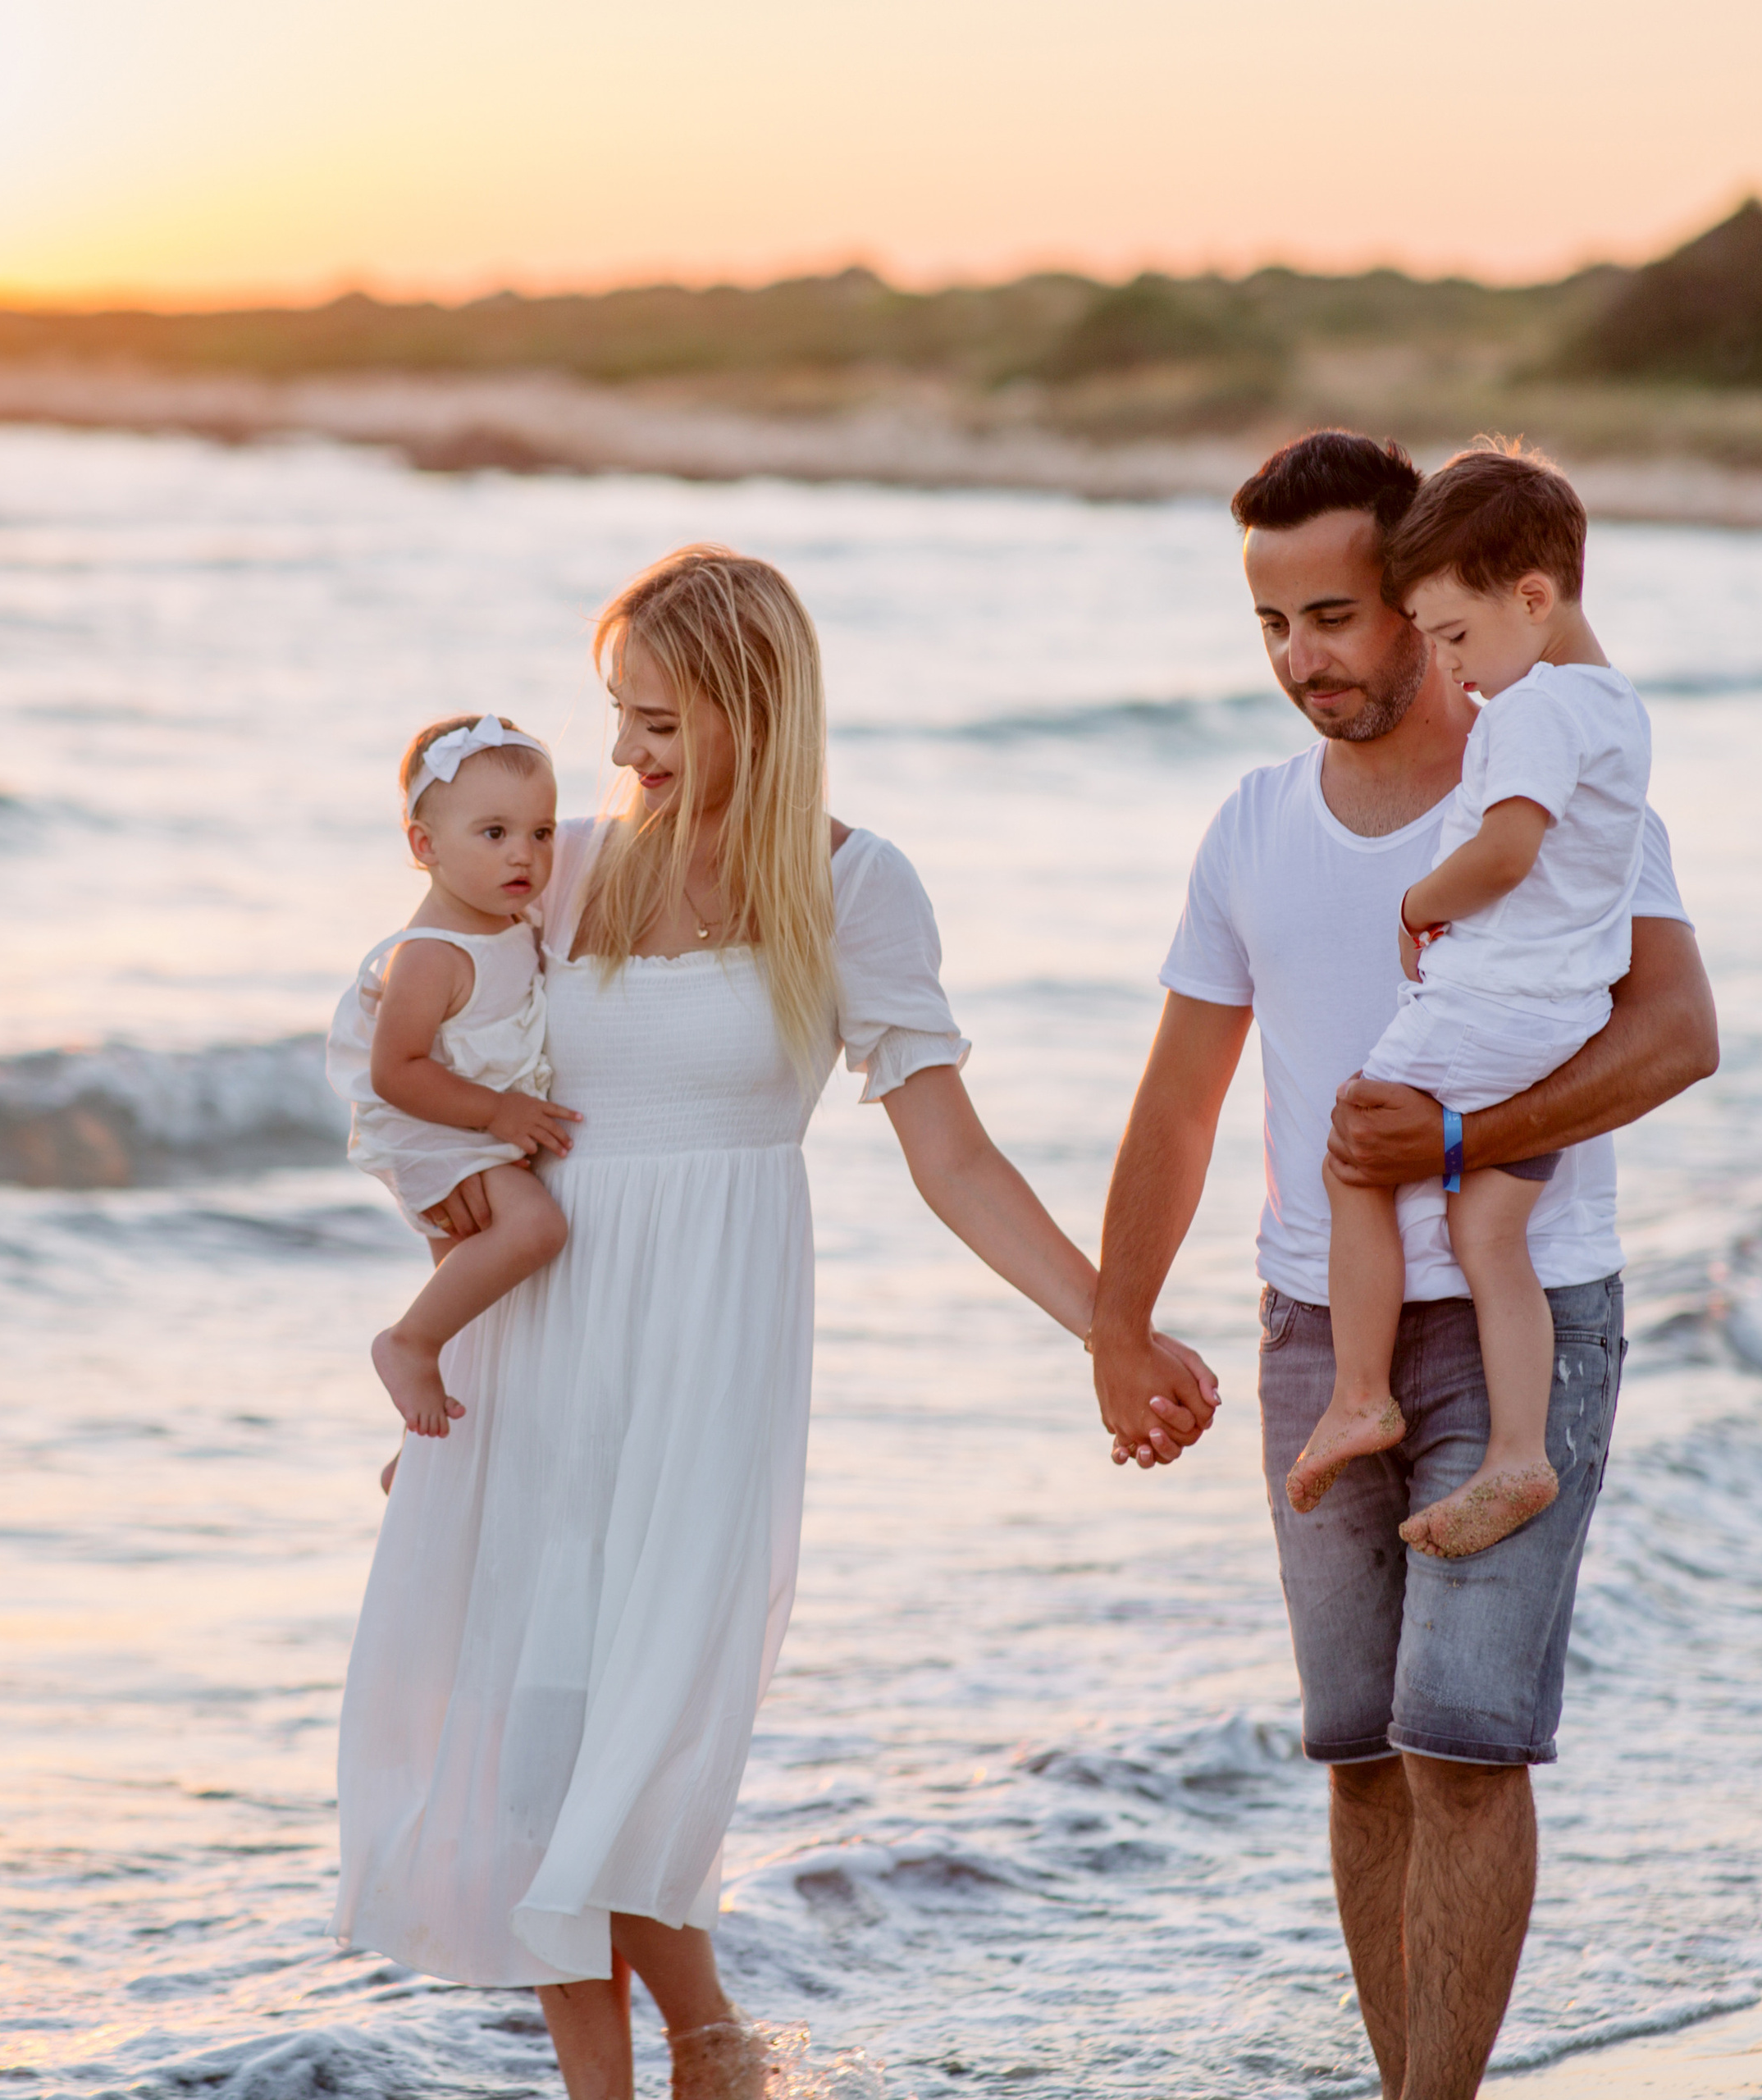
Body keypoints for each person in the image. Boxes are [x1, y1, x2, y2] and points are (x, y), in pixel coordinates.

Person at [331, 545, 1215, 2100]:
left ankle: (710, 2043)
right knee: (543, 1758)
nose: (623, 754)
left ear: (755, 704)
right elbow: (396, 1051)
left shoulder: (853, 885)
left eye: (659, 720)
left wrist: (1111, 1329)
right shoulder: (559, 873)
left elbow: (952, 1157)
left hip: (711, 1361)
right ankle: (688, 2063)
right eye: (617, 714)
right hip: (543, 1358)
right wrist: (445, 1284)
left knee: (649, 1744)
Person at [1090, 431, 1715, 2100]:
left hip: (1525, 1315)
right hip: (1315, 1330)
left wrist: (1455, 1142)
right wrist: (1113, 1323)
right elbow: (1177, 1104)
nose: (1303, 658)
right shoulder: (1248, 826)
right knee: (1361, 1753)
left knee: (1461, 1743)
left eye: (1335, 615)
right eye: (1270, 624)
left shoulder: (1560, 794)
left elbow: (1677, 1035)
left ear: (1425, 597)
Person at [1288, 445, 1652, 1560]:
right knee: (1489, 1230)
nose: (1452, 667)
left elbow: (1505, 852)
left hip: (1492, 1006)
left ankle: (1360, 1393)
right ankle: (1518, 1453)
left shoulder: (1534, 710)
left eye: (1454, 636)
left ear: (1533, 598)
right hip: (1560, 1023)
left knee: (1356, 1148)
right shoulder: (1619, 708)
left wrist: (1414, 903)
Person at [326, 715, 579, 1485]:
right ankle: (406, 1343)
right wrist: (499, 1114)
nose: (524, 855)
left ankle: (419, 1462)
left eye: (541, 833)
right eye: (495, 833)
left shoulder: (510, 921)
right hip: (439, 1127)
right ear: (424, 846)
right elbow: (395, 1070)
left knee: (474, 1306)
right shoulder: (433, 952)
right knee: (535, 1228)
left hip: (472, 1125)